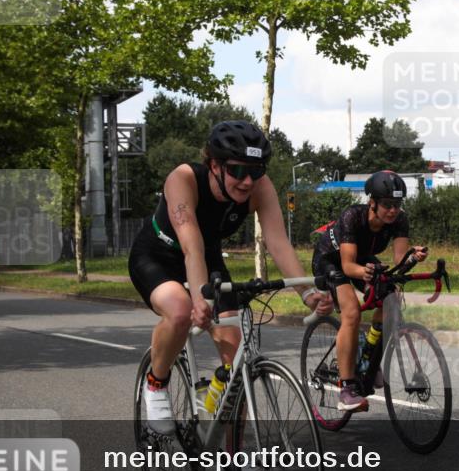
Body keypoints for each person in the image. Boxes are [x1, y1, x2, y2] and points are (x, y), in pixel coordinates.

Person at [128, 120, 333, 434]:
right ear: (214, 164)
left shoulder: (259, 188)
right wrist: (199, 299)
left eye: (257, 170)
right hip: (158, 255)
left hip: (207, 258)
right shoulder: (183, 179)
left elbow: (278, 242)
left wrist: (307, 293)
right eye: (237, 170)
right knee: (181, 311)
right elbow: (190, 244)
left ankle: (236, 453)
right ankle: (156, 384)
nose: (248, 181)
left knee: (236, 362)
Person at [311, 170, 428, 412]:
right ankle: (346, 389)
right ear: (372, 202)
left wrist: (412, 258)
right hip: (331, 261)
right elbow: (348, 266)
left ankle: (367, 359)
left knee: (391, 299)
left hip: (362, 259)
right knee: (352, 312)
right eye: (387, 204)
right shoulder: (352, 217)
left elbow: (398, 261)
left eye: (397, 204)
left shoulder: (399, 220)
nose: (393, 210)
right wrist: (364, 272)